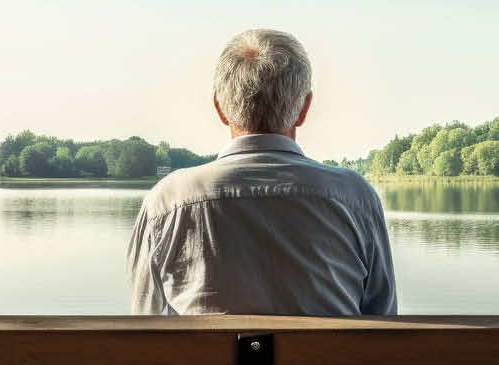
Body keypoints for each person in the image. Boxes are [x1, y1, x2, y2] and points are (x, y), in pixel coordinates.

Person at [127, 29, 396, 315]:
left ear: (220, 108)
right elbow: (383, 320)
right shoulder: (354, 196)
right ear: (304, 109)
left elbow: (146, 322)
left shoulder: (168, 201)